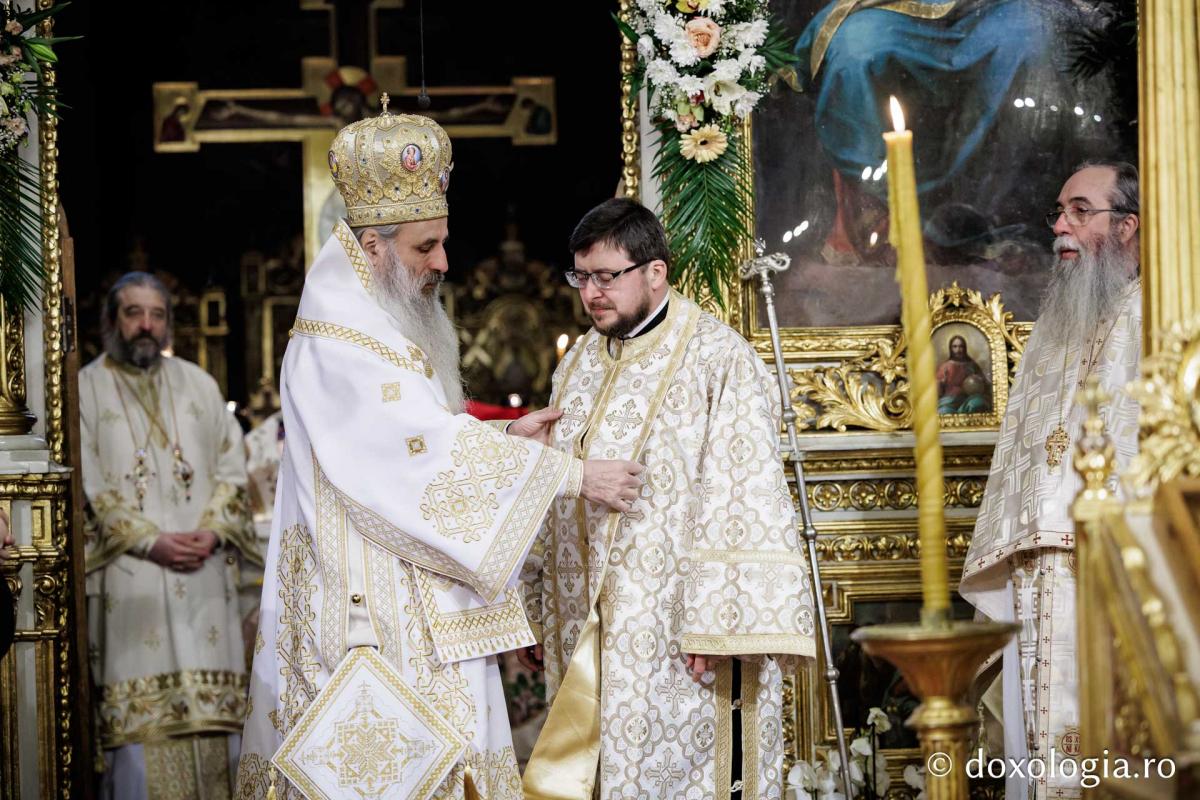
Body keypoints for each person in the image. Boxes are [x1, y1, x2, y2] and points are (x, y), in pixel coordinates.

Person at [235, 107, 641, 799]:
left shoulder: (374, 323)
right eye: (426, 247)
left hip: (413, 607)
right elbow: (411, 460)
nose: (443, 263)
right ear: (372, 245)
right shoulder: (339, 340)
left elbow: (413, 441)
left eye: (442, 242)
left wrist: (503, 441)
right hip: (370, 626)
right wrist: (570, 475)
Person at [518, 198, 817, 799]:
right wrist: (534, 605)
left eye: (607, 276)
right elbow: (554, 489)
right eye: (582, 277)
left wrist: (720, 624)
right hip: (583, 626)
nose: (591, 294)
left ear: (655, 271)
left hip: (676, 632)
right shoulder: (577, 364)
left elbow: (745, 493)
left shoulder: (718, 357)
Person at [960, 161, 1141, 800]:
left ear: (1127, 227)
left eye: (1080, 211)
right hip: (1034, 574)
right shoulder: (1053, 328)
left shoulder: (1160, 312)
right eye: (1058, 213)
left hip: (1118, 570)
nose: (1060, 226)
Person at [81, 271, 260, 799]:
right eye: (134, 313)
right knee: (141, 748)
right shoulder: (85, 389)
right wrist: (148, 541)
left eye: (156, 315)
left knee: (217, 731)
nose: (146, 325)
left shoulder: (199, 384)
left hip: (204, 579)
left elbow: (233, 469)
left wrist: (213, 532)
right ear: (112, 320)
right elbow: (89, 485)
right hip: (134, 579)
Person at [937, 334, 990, 414]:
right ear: (950, 348)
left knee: (978, 403)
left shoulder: (972, 365)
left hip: (969, 400)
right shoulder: (945, 367)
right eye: (955, 347)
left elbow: (984, 384)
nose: (958, 350)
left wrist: (978, 381)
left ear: (965, 348)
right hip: (949, 402)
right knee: (943, 411)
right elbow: (937, 389)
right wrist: (940, 384)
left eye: (961, 346)